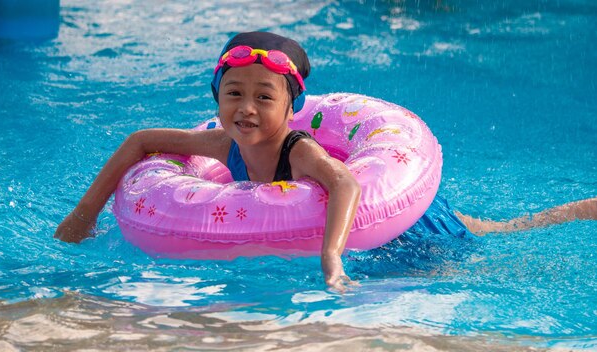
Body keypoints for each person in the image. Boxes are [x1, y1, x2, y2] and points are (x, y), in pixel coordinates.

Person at [55, 31, 597, 290]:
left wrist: (332, 258)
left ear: (292, 107)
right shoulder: (225, 147)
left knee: (493, 241)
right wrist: (84, 216)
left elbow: (344, 184)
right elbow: (140, 142)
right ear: (216, 99)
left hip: (404, 228)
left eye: (264, 97)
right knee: (496, 231)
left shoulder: (300, 150)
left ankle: (574, 212)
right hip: (365, 233)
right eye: (233, 93)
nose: (245, 108)